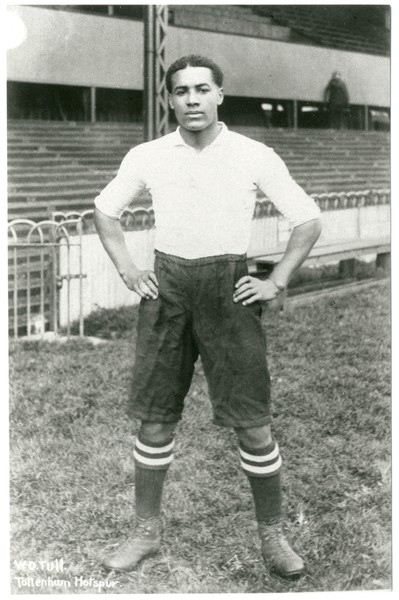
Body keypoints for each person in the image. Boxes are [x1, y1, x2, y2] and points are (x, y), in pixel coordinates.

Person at [94, 55, 322, 580]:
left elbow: (307, 219)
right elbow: (105, 211)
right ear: (168, 99)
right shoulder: (149, 154)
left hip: (228, 292)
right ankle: (146, 532)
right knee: (155, 418)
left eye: (202, 89)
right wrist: (129, 269)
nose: (192, 100)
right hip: (167, 288)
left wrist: (276, 279)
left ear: (220, 94)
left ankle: (272, 535)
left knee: (254, 425)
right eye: (181, 91)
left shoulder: (252, 153)